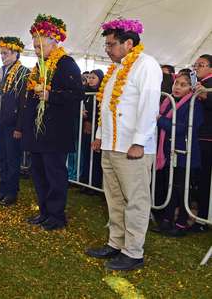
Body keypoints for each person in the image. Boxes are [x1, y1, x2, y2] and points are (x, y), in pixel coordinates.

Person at [86, 18, 162, 271]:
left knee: (135, 200)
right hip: (110, 145)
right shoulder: (116, 69)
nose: (107, 49)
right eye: (106, 44)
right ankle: (116, 243)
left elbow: (149, 106)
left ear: (129, 43)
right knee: (114, 198)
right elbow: (106, 108)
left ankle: (133, 251)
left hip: (132, 148)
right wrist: (99, 135)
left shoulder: (147, 65)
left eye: (111, 44)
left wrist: (139, 142)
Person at [18, 14, 84, 230]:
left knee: (54, 174)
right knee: (38, 173)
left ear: (55, 42)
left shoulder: (66, 64)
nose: (36, 51)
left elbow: (77, 94)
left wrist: (51, 96)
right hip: (38, 132)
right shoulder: (39, 66)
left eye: (40, 46)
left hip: (55, 132)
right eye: (35, 47)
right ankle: (44, 211)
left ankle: (56, 216)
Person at [153, 74, 203, 237]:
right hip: (170, 153)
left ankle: (181, 224)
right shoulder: (168, 102)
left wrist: (160, 120)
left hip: (185, 154)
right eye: (176, 83)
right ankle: (167, 221)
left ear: (191, 88)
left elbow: (182, 128)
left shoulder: (194, 103)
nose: (177, 87)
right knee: (171, 187)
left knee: (182, 190)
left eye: (183, 85)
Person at [0, 36, 30, 206]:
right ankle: (2, 190)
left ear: (16, 53)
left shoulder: (23, 73)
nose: (2, 56)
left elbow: (23, 103)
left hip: (13, 124)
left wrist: (19, 127)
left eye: (5, 53)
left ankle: (12, 193)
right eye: (1, 53)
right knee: (2, 158)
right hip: (0, 122)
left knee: (13, 159)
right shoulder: (1, 73)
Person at [191, 54, 212, 232]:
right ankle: (200, 216)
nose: (197, 67)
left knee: (205, 180)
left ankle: (202, 219)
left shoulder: (208, 85)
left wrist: (206, 95)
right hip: (201, 136)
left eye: (202, 64)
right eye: (196, 64)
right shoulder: (199, 83)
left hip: (208, 137)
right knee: (200, 179)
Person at [80, 69, 104, 191]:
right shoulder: (85, 92)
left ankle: (94, 184)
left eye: (93, 77)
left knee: (95, 156)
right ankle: (85, 181)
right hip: (85, 127)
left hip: (97, 128)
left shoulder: (102, 93)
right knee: (85, 153)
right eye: (89, 77)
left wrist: (89, 120)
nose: (90, 80)